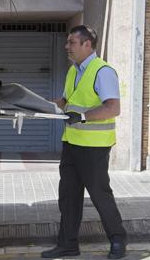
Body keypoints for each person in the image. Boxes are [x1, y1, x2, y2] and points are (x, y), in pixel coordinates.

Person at [42, 25, 127, 259]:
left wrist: (83, 116)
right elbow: (68, 101)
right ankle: (68, 244)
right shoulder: (73, 71)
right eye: (67, 42)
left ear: (87, 44)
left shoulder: (103, 71)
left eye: (71, 42)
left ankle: (118, 240)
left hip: (94, 147)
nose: (67, 46)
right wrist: (44, 105)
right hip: (72, 143)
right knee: (69, 196)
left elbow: (113, 108)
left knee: (100, 195)